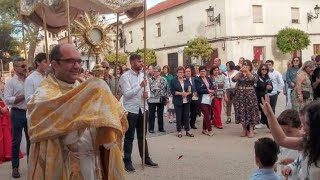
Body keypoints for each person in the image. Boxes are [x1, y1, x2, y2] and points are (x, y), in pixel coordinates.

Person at [27, 44, 128, 179]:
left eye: (79, 61)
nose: (77, 66)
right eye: (70, 61)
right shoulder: (43, 95)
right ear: (55, 64)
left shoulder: (85, 86)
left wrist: (109, 125)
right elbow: (65, 136)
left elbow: (116, 119)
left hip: (92, 162)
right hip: (65, 165)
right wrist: (90, 111)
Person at [261, 96, 320, 180]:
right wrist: (270, 115)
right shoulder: (310, 141)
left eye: (306, 123)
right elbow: (282, 140)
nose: (302, 126)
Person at [120, 54, 158, 172]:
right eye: (139, 61)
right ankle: (127, 161)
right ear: (132, 63)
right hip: (131, 110)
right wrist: (139, 86)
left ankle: (145, 158)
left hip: (143, 108)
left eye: (142, 61)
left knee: (142, 136)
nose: (142, 63)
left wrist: (147, 94)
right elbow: (127, 94)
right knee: (129, 137)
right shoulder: (125, 76)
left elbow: (148, 92)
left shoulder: (143, 75)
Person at [4, 57, 30, 178]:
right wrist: (23, 96)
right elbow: (7, 100)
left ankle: (31, 164)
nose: (25, 68)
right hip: (17, 113)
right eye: (22, 66)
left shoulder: (29, 80)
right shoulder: (10, 82)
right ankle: (15, 167)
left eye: (26, 65)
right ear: (15, 68)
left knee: (31, 140)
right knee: (16, 140)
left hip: (30, 112)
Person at [232, 60, 260, 138]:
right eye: (244, 65)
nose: (245, 66)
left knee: (251, 111)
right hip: (240, 95)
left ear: (250, 66)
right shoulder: (239, 73)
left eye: (247, 65)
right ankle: (244, 129)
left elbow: (254, 80)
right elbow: (233, 79)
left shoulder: (253, 73)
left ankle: (251, 130)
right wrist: (240, 72)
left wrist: (247, 72)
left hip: (250, 95)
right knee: (241, 110)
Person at [276, 109, 303, 180]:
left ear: (300, 127)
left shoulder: (305, 142)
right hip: (285, 175)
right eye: (282, 131)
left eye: (289, 131)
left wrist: (293, 161)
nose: (284, 134)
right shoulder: (281, 141)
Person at [170, 66, 194, 138]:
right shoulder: (173, 81)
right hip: (178, 101)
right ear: (177, 73)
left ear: (184, 73)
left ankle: (187, 131)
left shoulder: (186, 80)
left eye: (182, 72)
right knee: (179, 117)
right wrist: (181, 93)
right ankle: (179, 131)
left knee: (186, 116)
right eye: (179, 72)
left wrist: (187, 93)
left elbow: (191, 90)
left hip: (186, 101)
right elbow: (172, 91)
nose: (180, 73)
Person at [148, 66, 168, 133]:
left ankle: (161, 128)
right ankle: (151, 128)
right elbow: (148, 89)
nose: (155, 73)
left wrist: (167, 98)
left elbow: (166, 89)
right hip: (152, 99)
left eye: (156, 71)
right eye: (154, 71)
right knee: (151, 114)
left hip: (160, 98)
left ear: (159, 72)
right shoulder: (150, 79)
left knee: (160, 114)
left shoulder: (163, 79)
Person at [195, 66, 214, 136]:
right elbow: (199, 90)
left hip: (209, 99)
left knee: (207, 114)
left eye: (204, 71)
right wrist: (208, 91)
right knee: (206, 114)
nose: (203, 72)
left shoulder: (209, 79)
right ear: (199, 72)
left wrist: (212, 92)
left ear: (206, 72)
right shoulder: (197, 80)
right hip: (201, 100)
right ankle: (210, 130)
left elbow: (213, 86)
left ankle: (204, 129)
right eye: (201, 71)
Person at [255, 64, 273, 129]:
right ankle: (253, 127)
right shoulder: (257, 77)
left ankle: (268, 125)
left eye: (266, 69)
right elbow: (256, 86)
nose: (264, 70)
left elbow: (271, 88)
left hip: (265, 96)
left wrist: (270, 88)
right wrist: (265, 86)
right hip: (257, 96)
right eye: (263, 69)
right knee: (255, 112)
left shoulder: (268, 77)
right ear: (260, 70)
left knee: (266, 111)